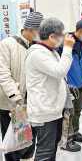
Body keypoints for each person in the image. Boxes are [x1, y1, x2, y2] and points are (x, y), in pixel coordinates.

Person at [25, 18, 75, 161]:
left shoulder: (49, 51)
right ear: (52, 36)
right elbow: (60, 71)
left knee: (51, 147)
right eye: (61, 35)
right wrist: (67, 49)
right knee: (45, 151)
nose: (63, 38)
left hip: (52, 110)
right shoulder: (37, 53)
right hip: (44, 111)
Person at [0, 12, 43, 161]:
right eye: (40, 31)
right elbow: (3, 73)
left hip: (32, 102)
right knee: (12, 140)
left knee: (28, 137)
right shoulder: (7, 44)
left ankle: (27, 157)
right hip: (12, 102)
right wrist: (15, 95)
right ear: (31, 29)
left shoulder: (37, 47)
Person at [57, 20, 82, 152]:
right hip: (69, 84)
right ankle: (66, 140)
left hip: (81, 82)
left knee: (78, 110)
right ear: (81, 31)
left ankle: (74, 132)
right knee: (68, 112)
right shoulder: (66, 41)